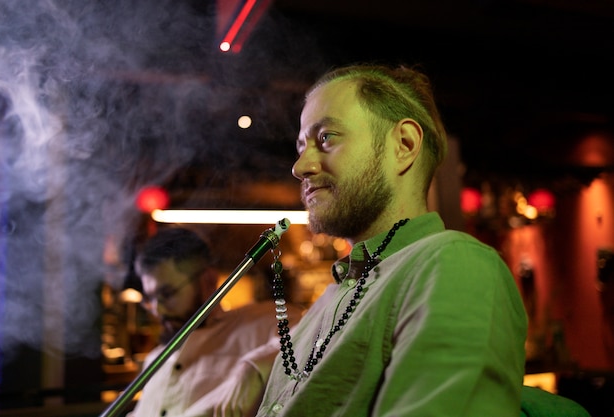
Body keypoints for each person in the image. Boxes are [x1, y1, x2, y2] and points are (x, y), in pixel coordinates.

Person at [255, 64, 528, 416]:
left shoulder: (452, 264)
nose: (300, 166)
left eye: (326, 138)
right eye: (301, 145)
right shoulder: (334, 296)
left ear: (404, 145)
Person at [127, 227, 302, 417]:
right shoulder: (154, 361)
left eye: (167, 294)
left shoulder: (259, 324)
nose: (158, 310)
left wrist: (255, 368)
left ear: (208, 281)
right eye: (150, 299)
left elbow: (309, 335)